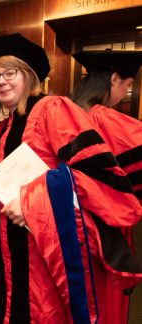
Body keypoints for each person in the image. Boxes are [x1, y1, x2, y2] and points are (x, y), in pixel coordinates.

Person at [0, 33, 142, 324]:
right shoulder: (4, 126)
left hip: (43, 257)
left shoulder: (51, 109)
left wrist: (30, 201)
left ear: (29, 75)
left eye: (9, 73)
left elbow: (94, 176)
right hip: (8, 252)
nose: (0, 81)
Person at [72, 49, 142, 323]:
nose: (126, 91)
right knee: (103, 299)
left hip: (67, 221)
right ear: (114, 79)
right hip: (106, 225)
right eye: (128, 85)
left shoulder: (67, 113)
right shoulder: (109, 119)